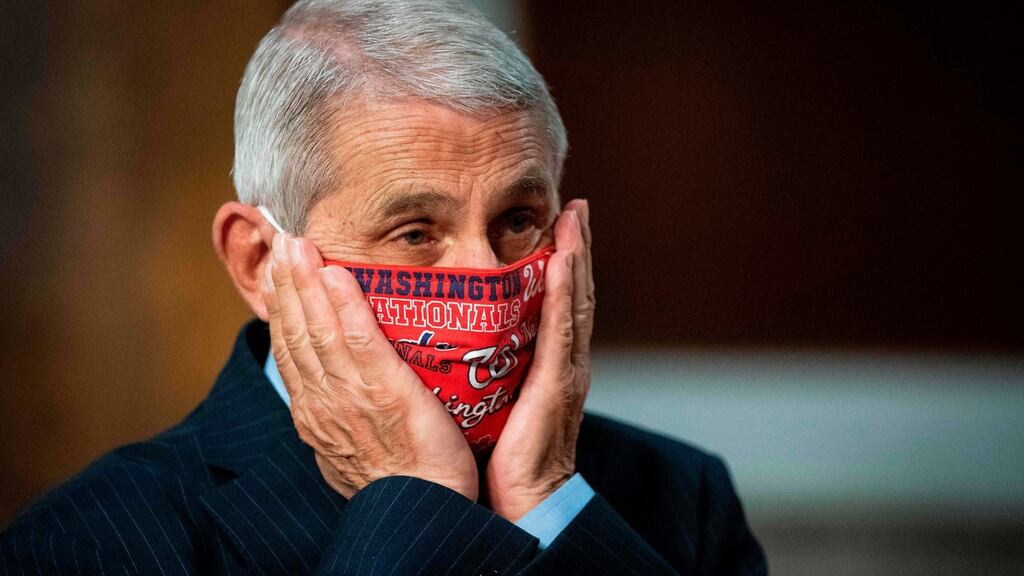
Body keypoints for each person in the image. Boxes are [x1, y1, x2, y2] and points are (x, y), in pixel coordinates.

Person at [0, 1, 766, 574]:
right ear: (261, 262)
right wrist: (416, 502)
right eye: (415, 233)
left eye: (518, 219)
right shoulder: (87, 544)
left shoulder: (682, 498)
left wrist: (548, 497)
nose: (486, 274)